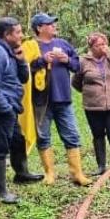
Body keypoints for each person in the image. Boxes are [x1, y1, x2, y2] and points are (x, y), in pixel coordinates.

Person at [0, 17, 44, 204]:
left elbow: (23, 78)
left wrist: (22, 61)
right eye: (18, 32)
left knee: (17, 140)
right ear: (7, 35)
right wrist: (5, 109)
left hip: (9, 106)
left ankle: (21, 173)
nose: (21, 35)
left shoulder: (11, 52)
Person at [26, 13, 91, 186]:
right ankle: (49, 173)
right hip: (41, 100)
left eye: (54, 23)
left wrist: (67, 59)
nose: (54, 25)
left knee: (72, 135)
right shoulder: (31, 46)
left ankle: (77, 173)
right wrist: (41, 60)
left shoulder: (63, 44)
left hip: (63, 98)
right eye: (50, 23)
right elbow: (23, 70)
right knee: (43, 136)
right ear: (39, 28)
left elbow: (77, 66)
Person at [72, 32, 110, 177]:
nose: (102, 47)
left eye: (104, 44)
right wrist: (90, 93)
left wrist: (109, 54)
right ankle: (101, 166)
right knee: (98, 135)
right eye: (98, 45)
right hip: (93, 106)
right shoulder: (83, 61)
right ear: (91, 47)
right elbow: (76, 82)